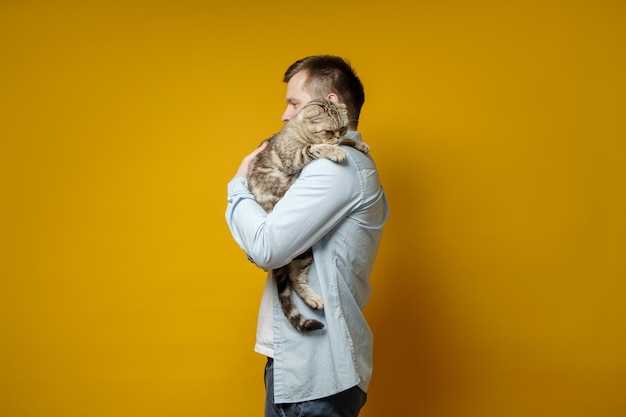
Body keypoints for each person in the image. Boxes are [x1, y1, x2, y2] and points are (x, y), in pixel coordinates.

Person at [225, 55, 389, 417]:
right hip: (296, 363)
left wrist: (238, 186)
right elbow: (269, 245)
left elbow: (266, 249)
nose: (286, 115)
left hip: (316, 372)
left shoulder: (336, 169)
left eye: (294, 103)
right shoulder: (320, 164)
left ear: (328, 104)